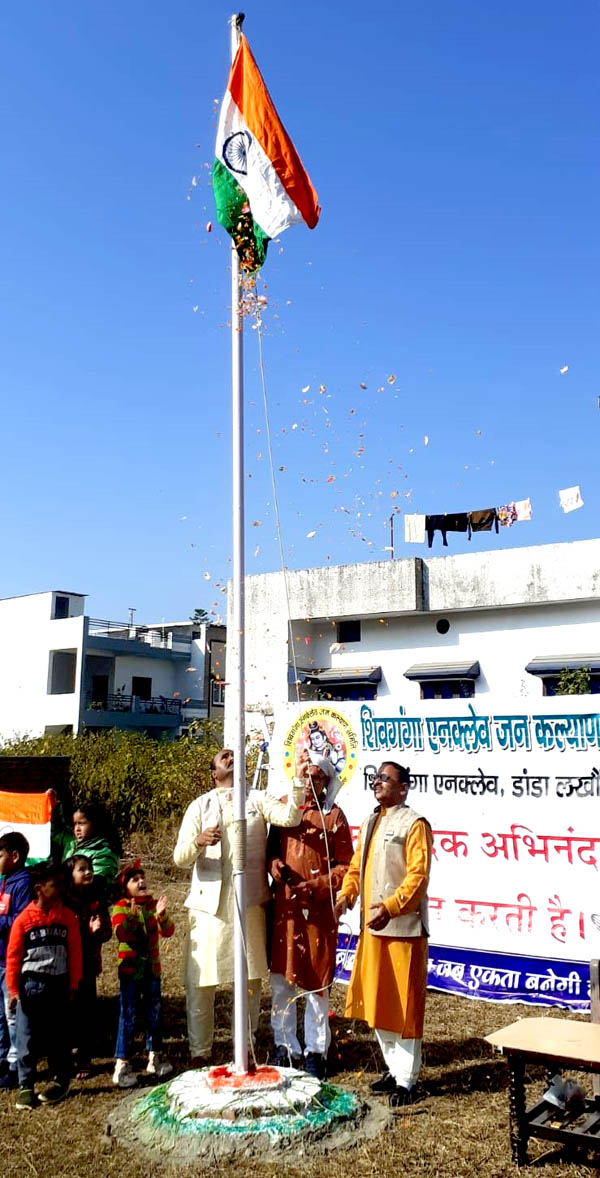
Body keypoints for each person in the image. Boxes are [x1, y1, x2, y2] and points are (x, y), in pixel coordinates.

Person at [173, 747, 305, 1065]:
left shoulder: (257, 799)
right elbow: (179, 858)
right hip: (209, 908)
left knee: (249, 983)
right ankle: (200, 1051)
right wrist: (198, 842)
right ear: (213, 773)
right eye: (223, 757)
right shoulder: (199, 806)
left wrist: (298, 778)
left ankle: (245, 1046)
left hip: (250, 903)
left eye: (234, 755)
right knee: (201, 983)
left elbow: (291, 816)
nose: (230, 759)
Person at [334, 761, 432, 1106]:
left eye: (385, 779)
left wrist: (390, 907)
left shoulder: (415, 824)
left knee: (403, 1005)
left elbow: (418, 878)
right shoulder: (372, 820)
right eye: (375, 778)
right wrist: (346, 896)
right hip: (372, 929)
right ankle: (392, 1068)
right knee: (378, 1000)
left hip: (402, 929)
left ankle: (407, 1080)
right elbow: (357, 866)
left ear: (403, 787)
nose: (377, 783)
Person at [267, 751, 353, 1077]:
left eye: (318, 777)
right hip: (286, 907)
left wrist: (316, 886)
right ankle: (284, 1046)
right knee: (281, 979)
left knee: (316, 984)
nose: (312, 781)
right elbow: (271, 850)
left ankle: (316, 1051)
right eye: (308, 775)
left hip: (318, 911)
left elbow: (347, 867)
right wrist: (273, 866)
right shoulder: (285, 806)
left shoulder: (336, 817)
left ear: (328, 782)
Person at [6, 861, 82, 1110]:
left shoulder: (67, 917)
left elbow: (75, 952)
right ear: (39, 888)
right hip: (30, 988)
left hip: (58, 986)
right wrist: (14, 990)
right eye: (55, 885)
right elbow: (14, 957)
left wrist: (73, 983)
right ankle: (26, 1085)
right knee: (26, 1038)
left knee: (58, 1038)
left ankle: (61, 1081)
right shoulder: (24, 920)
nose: (60, 889)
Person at [111, 860, 174, 1088]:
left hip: (152, 971)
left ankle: (154, 1056)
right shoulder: (121, 907)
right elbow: (121, 934)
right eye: (134, 879)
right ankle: (123, 1063)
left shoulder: (153, 906)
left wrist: (162, 915)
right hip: (130, 971)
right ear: (125, 887)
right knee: (128, 1015)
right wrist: (130, 920)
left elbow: (168, 931)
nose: (141, 881)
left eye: (142, 877)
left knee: (154, 1013)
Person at [64, 853, 112, 1079]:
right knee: (67, 1010)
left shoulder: (96, 899)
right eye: (81, 869)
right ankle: (67, 1054)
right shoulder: (63, 900)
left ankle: (84, 1057)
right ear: (70, 875)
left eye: (89, 867)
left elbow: (107, 932)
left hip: (87, 963)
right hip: (64, 965)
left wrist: (97, 931)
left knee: (86, 1010)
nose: (88, 872)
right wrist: (85, 928)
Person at [0, 832, 32, 1090]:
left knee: (12, 1015)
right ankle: (3, 1058)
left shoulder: (22, 884)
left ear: (15, 856)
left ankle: (14, 1066)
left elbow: (20, 922)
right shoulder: (5, 881)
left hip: (11, 961)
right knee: (1, 1014)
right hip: (0, 958)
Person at [62, 803, 121, 892]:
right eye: (75, 824)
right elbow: (56, 830)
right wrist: (53, 805)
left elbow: (96, 884)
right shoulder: (71, 844)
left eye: (81, 823)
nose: (77, 829)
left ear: (95, 824)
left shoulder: (103, 853)